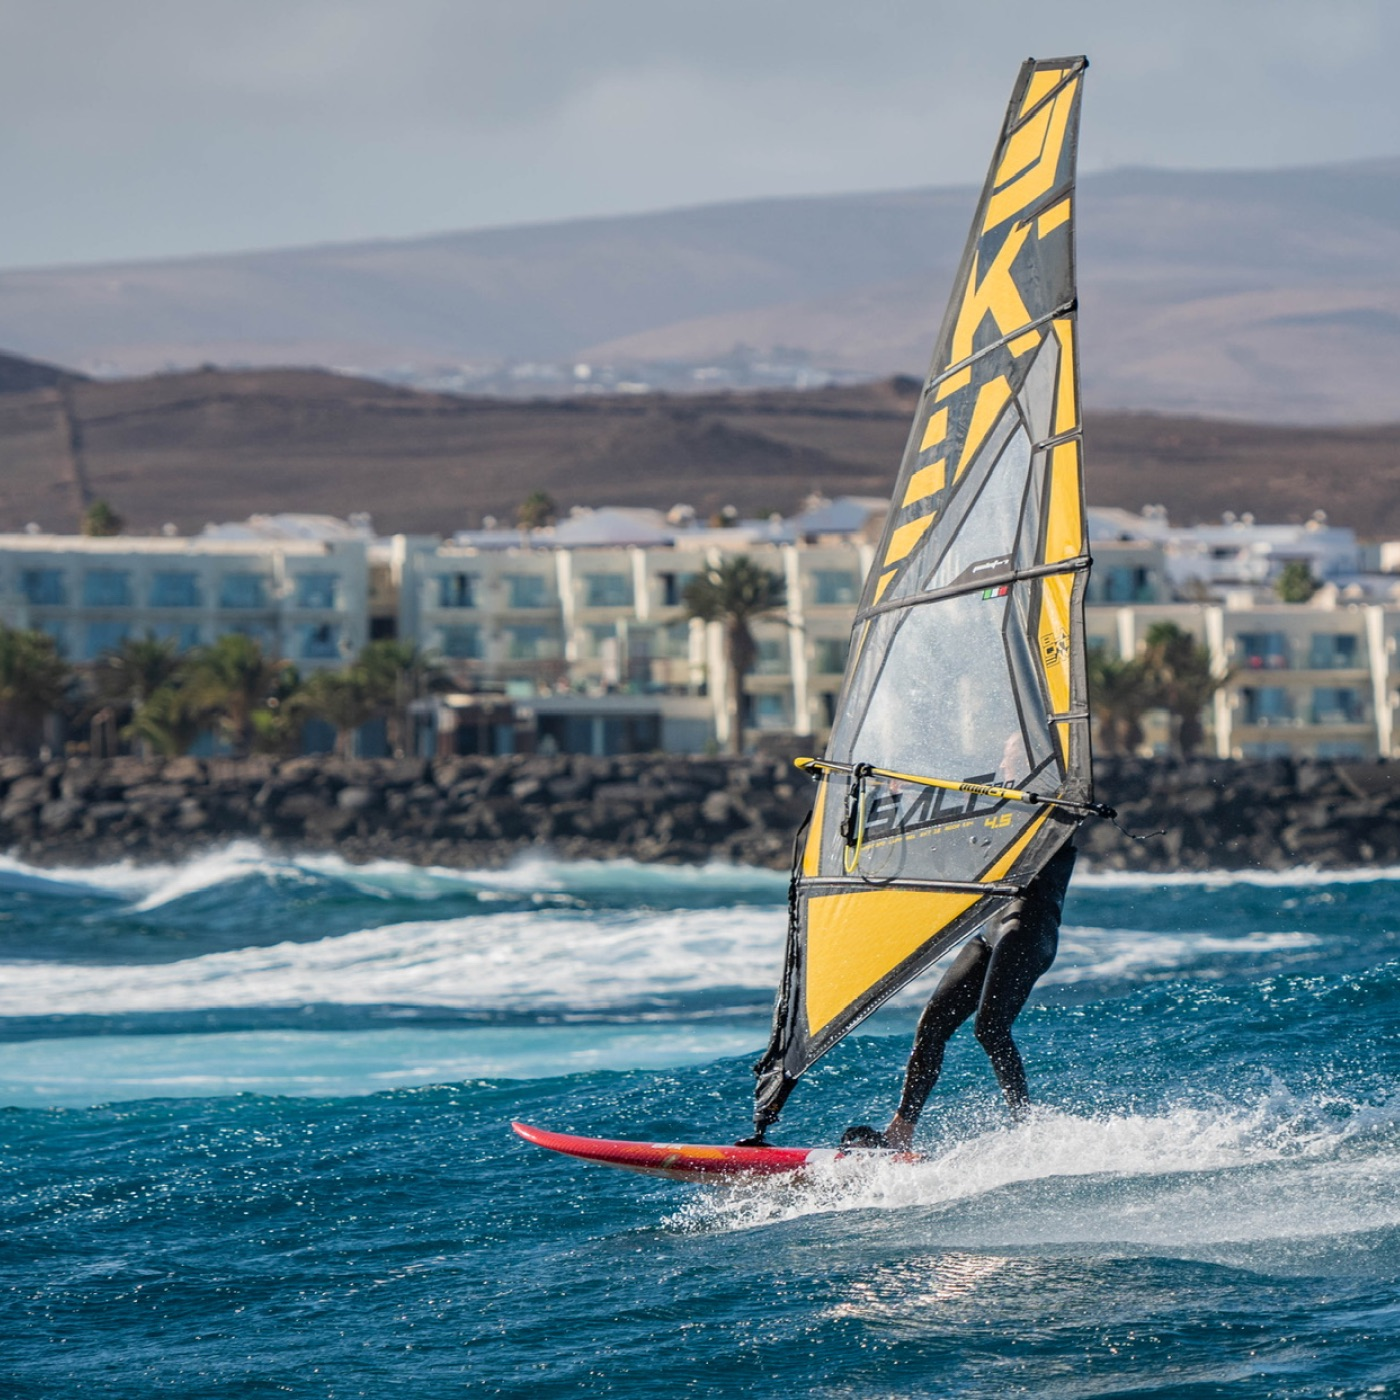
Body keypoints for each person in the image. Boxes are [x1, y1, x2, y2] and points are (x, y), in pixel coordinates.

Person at [842, 839, 1076, 1150]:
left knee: (990, 1028)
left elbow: (1067, 798)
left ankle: (1026, 1129)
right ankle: (900, 1133)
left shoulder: (1052, 815)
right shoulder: (1001, 816)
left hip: (1029, 929)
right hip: (991, 929)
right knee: (931, 1025)